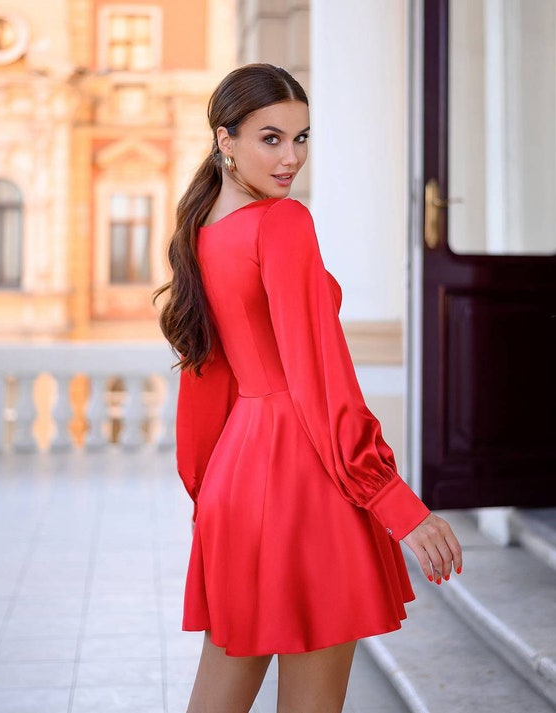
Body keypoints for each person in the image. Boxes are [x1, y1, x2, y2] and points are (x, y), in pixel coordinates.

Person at [155, 63, 463, 713]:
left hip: (236, 481)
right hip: (305, 475)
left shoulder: (201, 229)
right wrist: (392, 498)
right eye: (271, 138)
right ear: (225, 139)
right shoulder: (283, 223)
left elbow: (208, 386)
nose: (291, 156)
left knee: (216, 699)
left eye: (302, 138)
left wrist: (208, 495)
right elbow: (320, 378)